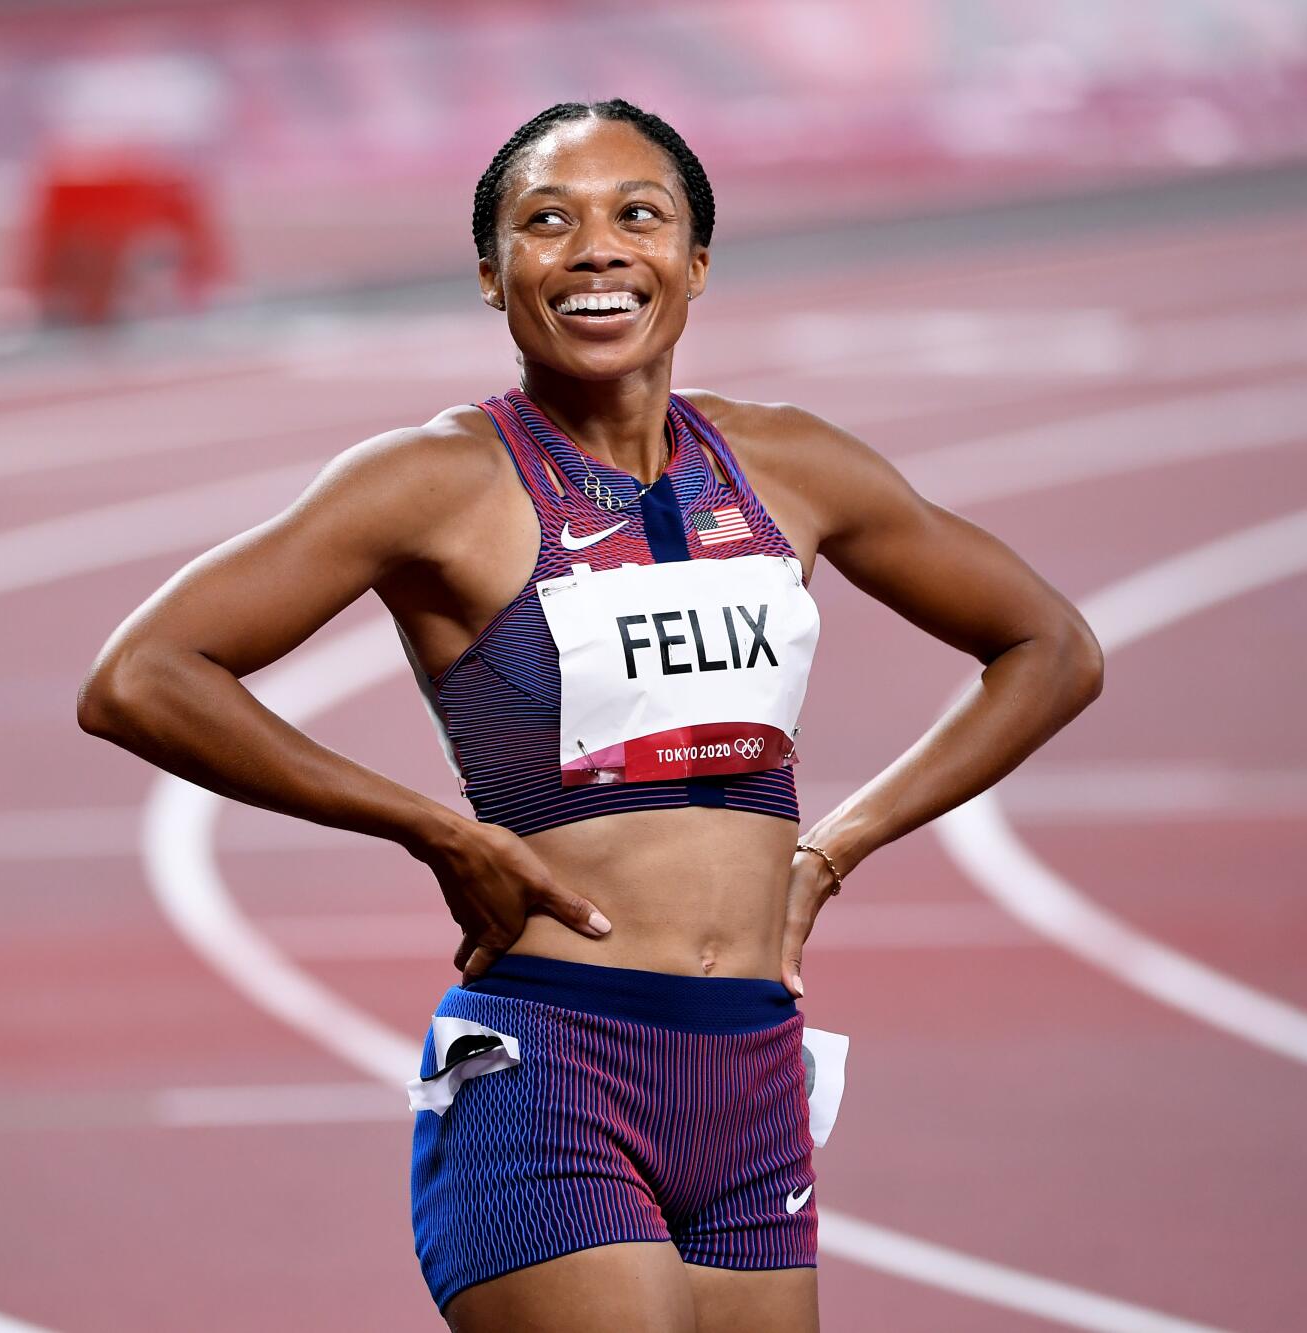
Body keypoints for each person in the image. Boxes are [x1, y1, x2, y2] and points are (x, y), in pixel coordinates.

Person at [77, 98, 1104, 1333]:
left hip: (751, 1075)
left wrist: (835, 846)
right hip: (556, 1066)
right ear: (490, 271)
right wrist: (430, 829)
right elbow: (140, 676)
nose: (598, 249)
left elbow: (1050, 647)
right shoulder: (433, 481)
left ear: (696, 261)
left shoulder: (792, 466)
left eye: (638, 216)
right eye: (547, 222)